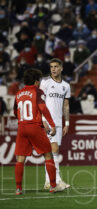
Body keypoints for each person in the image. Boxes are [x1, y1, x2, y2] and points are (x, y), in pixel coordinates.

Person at [13, 68, 65, 195]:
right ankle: (53, 185)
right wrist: (52, 125)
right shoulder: (38, 91)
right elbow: (43, 109)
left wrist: (22, 120)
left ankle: (18, 188)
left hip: (22, 127)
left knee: (20, 159)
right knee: (48, 155)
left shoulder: (18, 93)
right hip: (35, 127)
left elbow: (15, 111)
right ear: (36, 81)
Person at [40, 58, 71, 190]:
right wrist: (43, 120)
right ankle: (56, 180)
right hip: (47, 122)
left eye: (56, 66)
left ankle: (49, 181)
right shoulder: (45, 82)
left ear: (61, 68)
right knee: (53, 151)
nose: (53, 69)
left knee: (53, 151)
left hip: (58, 122)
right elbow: (40, 103)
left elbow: (66, 106)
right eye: (51, 66)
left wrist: (67, 123)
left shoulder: (66, 86)